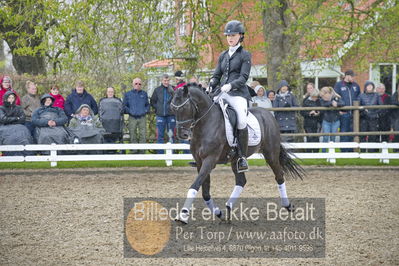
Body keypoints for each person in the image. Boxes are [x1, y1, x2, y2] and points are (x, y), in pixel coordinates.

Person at [208, 20, 251, 172]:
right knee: (207, 113)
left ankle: (242, 157)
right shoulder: (223, 55)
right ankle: (203, 151)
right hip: (223, 93)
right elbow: (217, 74)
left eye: (233, 35)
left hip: (238, 94)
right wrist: (212, 82)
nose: (230, 38)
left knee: (241, 119)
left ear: (240, 36)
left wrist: (230, 85)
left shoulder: (245, 55)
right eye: (228, 35)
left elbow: (244, 77)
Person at [333, 70, 361, 151]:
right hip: (344, 113)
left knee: (353, 133)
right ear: (347, 76)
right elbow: (335, 98)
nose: (353, 78)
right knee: (344, 133)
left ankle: (352, 152)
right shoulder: (338, 85)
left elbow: (359, 97)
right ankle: (344, 152)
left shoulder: (356, 85)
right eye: (352, 76)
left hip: (354, 114)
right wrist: (339, 110)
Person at [0, 91, 32, 155]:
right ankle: (10, 152)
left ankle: (26, 152)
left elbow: (22, 119)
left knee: (24, 132)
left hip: (19, 126)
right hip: (5, 127)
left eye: (13, 98)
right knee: (10, 137)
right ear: (5, 98)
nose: (11, 99)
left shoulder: (18, 108)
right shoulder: (1, 108)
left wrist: (11, 120)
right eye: (9, 97)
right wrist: (16, 118)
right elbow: (3, 119)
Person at [150, 74, 176, 153]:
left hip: (171, 116)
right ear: (162, 81)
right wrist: (158, 108)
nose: (166, 82)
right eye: (165, 80)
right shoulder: (157, 90)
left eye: (168, 80)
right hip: (160, 116)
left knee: (171, 135)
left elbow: (177, 100)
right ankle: (160, 154)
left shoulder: (173, 89)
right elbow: (152, 101)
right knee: (160, 136)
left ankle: (171, 154)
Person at [123, 78, 150, 153]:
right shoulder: (128, 94)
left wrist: (145, 111)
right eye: (136, 83)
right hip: (132, 117)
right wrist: (130, 111)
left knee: (143, 134)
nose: (138, 85)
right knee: (132, 134)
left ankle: (142, 151)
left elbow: (147, 105)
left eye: (139, 84)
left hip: (142, 117)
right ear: (133, 84)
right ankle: (134, 150)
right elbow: (124, 106)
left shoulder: (144, 94)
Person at [359, 81, 383, 152]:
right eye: (368, 86)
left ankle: (371, 151)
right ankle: (363, 151)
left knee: (372, 135)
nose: (369, 87)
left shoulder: (377, 95)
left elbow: (381, 106)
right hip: (364, 118)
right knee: (363, 135)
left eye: (371, 86)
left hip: (373, 118)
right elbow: (358, 106)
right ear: (365, 87)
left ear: (373, 87)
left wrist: (375, 113)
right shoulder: (361, 96)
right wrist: (364, 112)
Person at [319, 86, 344, 152]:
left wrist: (337, 104)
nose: (323, 97)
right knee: (325, 137)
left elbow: (343, 103)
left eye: (324, 96)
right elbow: (322, 104)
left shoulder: (336, 98)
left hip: (335, 120)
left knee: (333, 137)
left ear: (328, 93)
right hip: (326, 120)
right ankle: (324, 152)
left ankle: (332, 152)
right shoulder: (322, 100)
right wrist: (331, 103)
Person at [300, 88, 321, 152]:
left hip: (317, 122)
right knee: (309, 137)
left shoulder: (319, 101)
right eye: (314, 97)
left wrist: (318, 113)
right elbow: (302, 112)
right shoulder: (305, 101)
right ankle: (308, 152)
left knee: (316, 138)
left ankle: (316, 153)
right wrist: (309, 113)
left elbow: (322, 110)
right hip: (308, 122)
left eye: (316, 97)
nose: (315, 99)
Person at [392, 86, 399, 151]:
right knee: (397, 132)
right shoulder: (395, 95)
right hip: (396, 117)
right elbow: (393, 102)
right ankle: (395, 148)